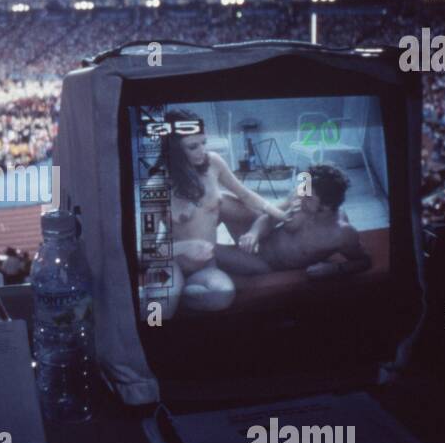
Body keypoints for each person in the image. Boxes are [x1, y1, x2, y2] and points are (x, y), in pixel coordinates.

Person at [156, 108, 290, 315]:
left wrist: (276, 211)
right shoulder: (157, 183)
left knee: (223, 295)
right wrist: (185, 246)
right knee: (161, 311)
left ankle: (185, 295)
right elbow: (145, 252)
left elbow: (244, 194)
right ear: (173, 149)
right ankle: (174, 292)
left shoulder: (213, 163)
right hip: (173, 261)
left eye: (203, 143)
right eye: (193, 147)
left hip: (207, 264)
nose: (202, 151)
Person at [213, 163, 372, 280]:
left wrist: (335, 268)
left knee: (207, 250)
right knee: (218, 200)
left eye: (309, 197)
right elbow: (269, 217)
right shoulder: (303, 193)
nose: (300, 196)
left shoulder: (341, 233)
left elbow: (364, 261)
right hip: (258, 236)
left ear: (326, 206)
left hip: (264, 263)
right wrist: (254, 233)